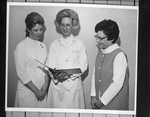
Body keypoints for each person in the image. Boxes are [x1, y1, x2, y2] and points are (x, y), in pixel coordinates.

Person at [46, 9, 88, 109]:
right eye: (62, 25)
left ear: (73, 25)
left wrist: (70, 75)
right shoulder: (54, 44)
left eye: (68, 25)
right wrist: (57, 74)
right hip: (58, 87)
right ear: (59, 25)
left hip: (74, 86)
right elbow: (50, 64)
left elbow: (83, 65)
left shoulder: (79, 44)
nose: (65, 28)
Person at [90, 19, 129, 110]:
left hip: (113, 104)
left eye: (100, 38)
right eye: (96, 37)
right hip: (98, 102)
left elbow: (117, 84)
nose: (97, 41)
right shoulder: (101, 50)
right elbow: (94, 75)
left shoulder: (119, 55)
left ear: (111, 38)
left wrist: (101, 102)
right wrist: (93, 96)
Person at [14, 12, 50, 108]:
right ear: (28, 29)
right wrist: (36, 91)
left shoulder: (43, 46)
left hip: (42, 89)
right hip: (28, 90)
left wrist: (46, 85)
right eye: (36, 30)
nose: (39, 33)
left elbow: (46, 68)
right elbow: (21, 73)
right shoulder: (21, 46)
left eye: (41, 30)